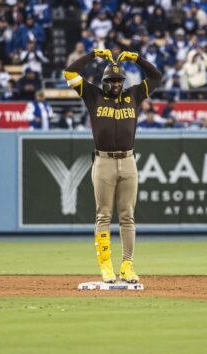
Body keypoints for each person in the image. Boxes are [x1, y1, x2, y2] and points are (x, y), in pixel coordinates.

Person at [63, 48, 162, 284]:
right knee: (103, 215)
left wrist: (137, 59)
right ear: (104, 81)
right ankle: (106, 266)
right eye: (111, 80)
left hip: (128, 160)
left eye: (119, 80)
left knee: (127, 216)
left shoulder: (134, 95)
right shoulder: (93, 95)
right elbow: (69, 72)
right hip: (104, 161)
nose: (116, 84)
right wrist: (94, 54)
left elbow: (156, 76)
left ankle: (127, 266)